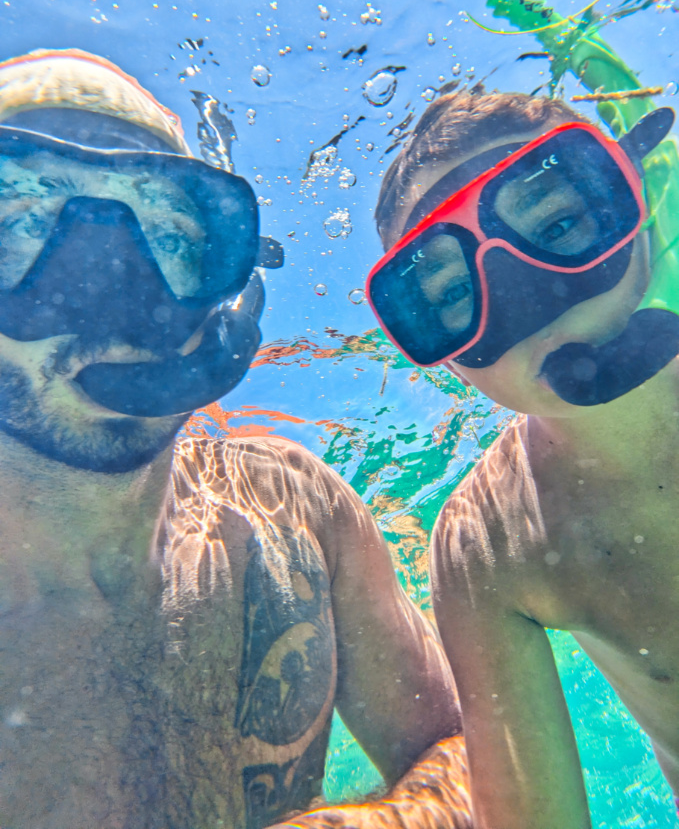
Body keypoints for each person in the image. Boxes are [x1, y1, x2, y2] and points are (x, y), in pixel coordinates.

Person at [0, 48, 473, 829]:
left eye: (172, 236)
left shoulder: (300, 508)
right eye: (21, 223)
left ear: (229, 302)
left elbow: (462, 746)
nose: (110, 296)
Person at [367, 85, 679, 829]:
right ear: (447, 358)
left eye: (561, 223)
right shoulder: (491, 543)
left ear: (637, 209)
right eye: (453, 292)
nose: (529, 292)